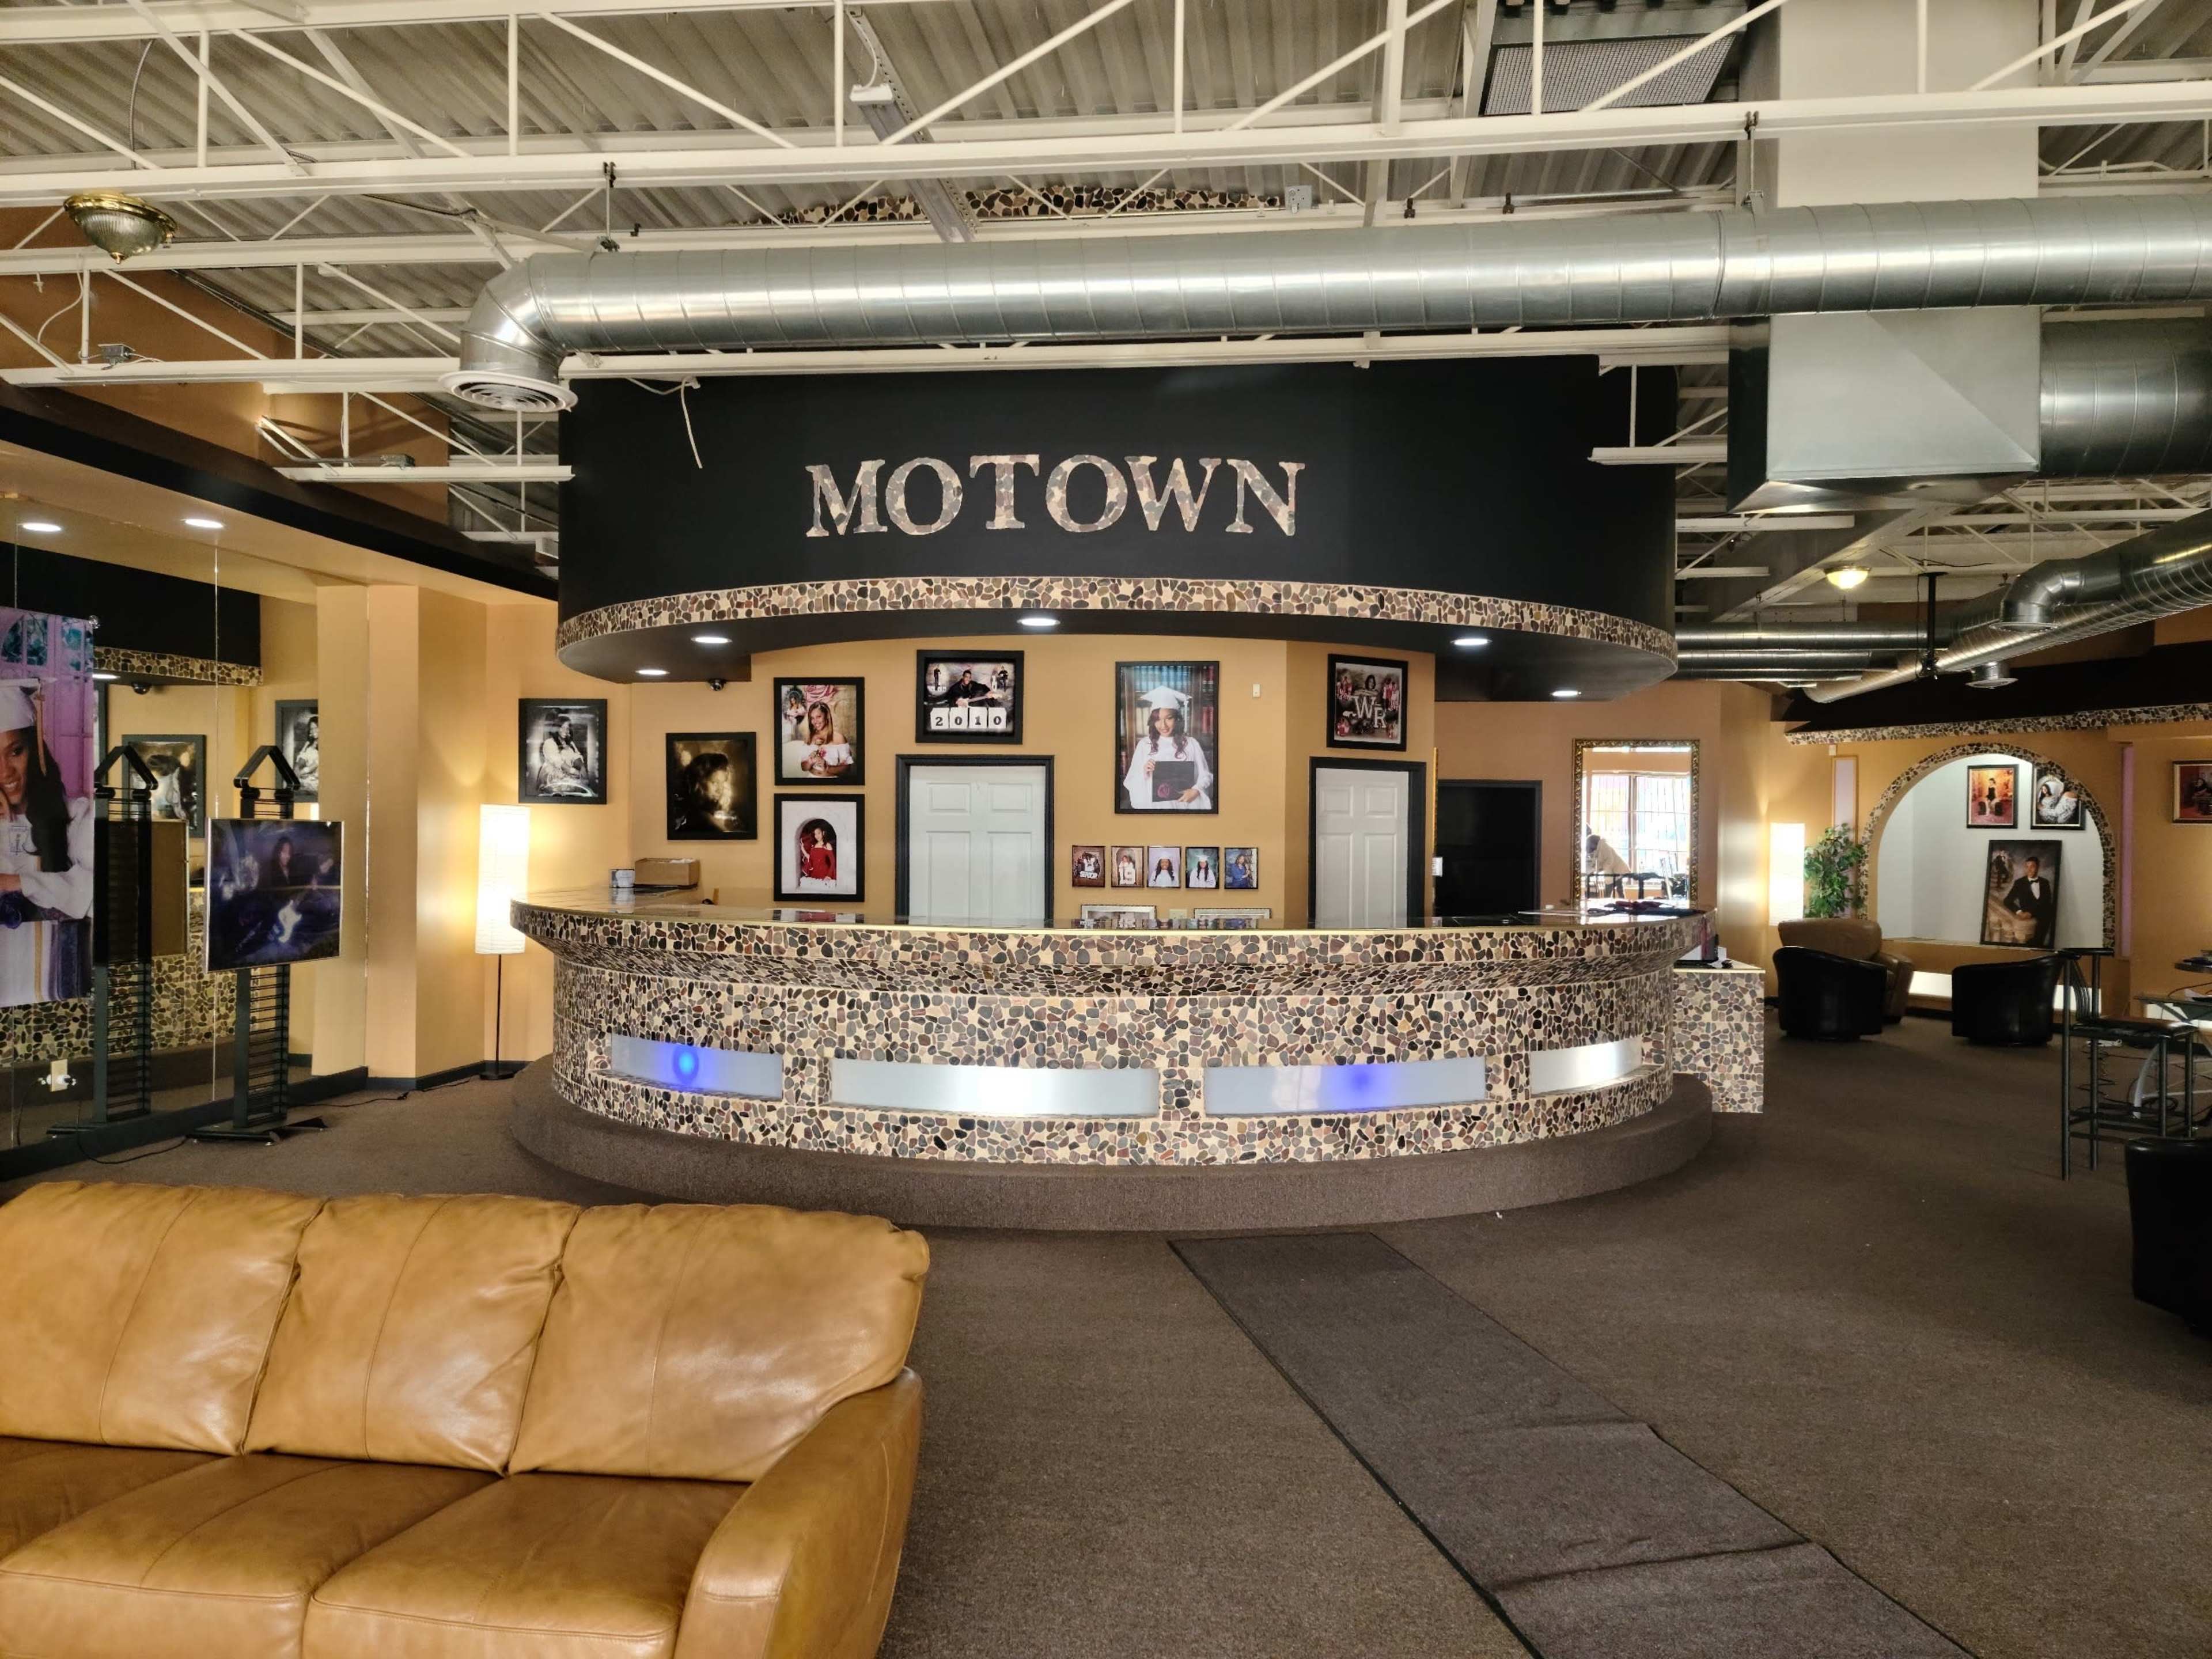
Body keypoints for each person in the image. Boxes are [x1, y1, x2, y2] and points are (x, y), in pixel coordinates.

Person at [0, 680, 91, 1005]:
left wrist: (14, 882)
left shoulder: (77, 817)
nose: (5, 772)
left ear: (36, 750)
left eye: (15, 751)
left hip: (57, 987)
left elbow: (90, 894)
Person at [1122, 689, 1214, 810]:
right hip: (1155, 807)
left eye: (1169, 718)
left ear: (1177, 719)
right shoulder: (1145, 745)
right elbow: (1132, 781)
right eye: (1158, 719)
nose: (1163, 725)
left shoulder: (1191, 744)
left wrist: (1197, 791)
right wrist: (1144, 771)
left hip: (1186, 806)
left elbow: (1206, 776)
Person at [673, 749, 740, 836]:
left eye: (722, 783)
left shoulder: (713, 814)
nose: (720, 790)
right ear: (699, 782)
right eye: (714, 783)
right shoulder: (700, 817)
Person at [2002, 854, 2058, 949]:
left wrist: (2031, 913)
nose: (2029, 870)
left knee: (2050, 911)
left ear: (2038, 868)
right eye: (2027, 867)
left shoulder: (2045, 883)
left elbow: (2047, 902)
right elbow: (2007, 901)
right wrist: (2019, 912)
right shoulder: (2019, 883)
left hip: (2042, 913)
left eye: (2032, 866)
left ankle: (2037, 945)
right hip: (2027, 912)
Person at [535, 711, 592, 798]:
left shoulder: (570, 744)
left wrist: (583, 768)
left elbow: (577, 757)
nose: (565, 731)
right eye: (562, 727)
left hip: (567, 777)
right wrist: (576, 772)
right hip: (552, 778)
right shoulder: (549, 743)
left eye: (567, 728)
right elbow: (559, 763)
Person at [793, 700, 854, 780]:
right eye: (812, 718)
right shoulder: (809, 737)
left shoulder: (839, 738)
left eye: (819, 717)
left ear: (826, 717)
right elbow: (804, 767)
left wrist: (828, 768)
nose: (815, 722)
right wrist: (810, 761)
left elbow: (847, 769)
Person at [796, 820, 839, 892]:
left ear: (823, 833)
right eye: (815, 834)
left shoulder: (827, 845)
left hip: (824, 874)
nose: (817, 836)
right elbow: (810, 858)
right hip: (813, 874)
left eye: (819, 833)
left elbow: (833, 862)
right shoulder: (814, 846)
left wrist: (828, 876)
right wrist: (802, 848)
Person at [289, 711, 319, 796]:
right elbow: (302, 758)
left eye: (316, 728)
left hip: (316, 783)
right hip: (305, 779)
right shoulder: (308, 744)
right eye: (312, 728)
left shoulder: (325, 746)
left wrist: (300, 773)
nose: (314, 731)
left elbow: (314, 765)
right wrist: (297, 767)